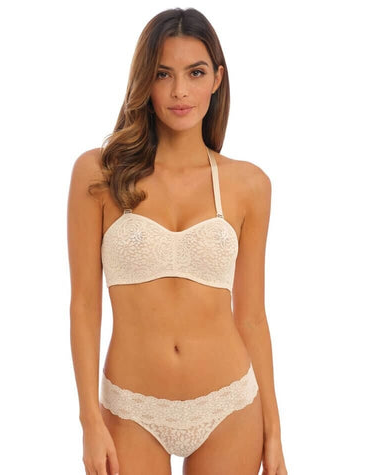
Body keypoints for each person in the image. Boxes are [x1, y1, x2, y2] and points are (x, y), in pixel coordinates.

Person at [67, 7, 287, 475]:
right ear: (145, 81)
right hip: (130, 408)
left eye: (196, 73)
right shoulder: (99, 174)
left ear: (217, 79)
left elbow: (252, 317)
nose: (180, 91)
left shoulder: (250, 185)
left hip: (230, 405)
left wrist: (274, 433)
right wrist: (89, 420)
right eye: (163, 73)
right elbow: (84, 304)